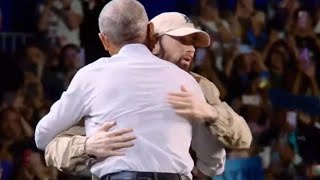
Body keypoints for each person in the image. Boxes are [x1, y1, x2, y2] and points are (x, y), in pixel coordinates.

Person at [43, 11, 252, 179]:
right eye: (182, 40)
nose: (191, 49)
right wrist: (86, 146)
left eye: (193, 43)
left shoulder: (198, 86)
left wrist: (210, 113)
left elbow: (243, 138)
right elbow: (53, 144)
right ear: (152, 40)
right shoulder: (109, 79)